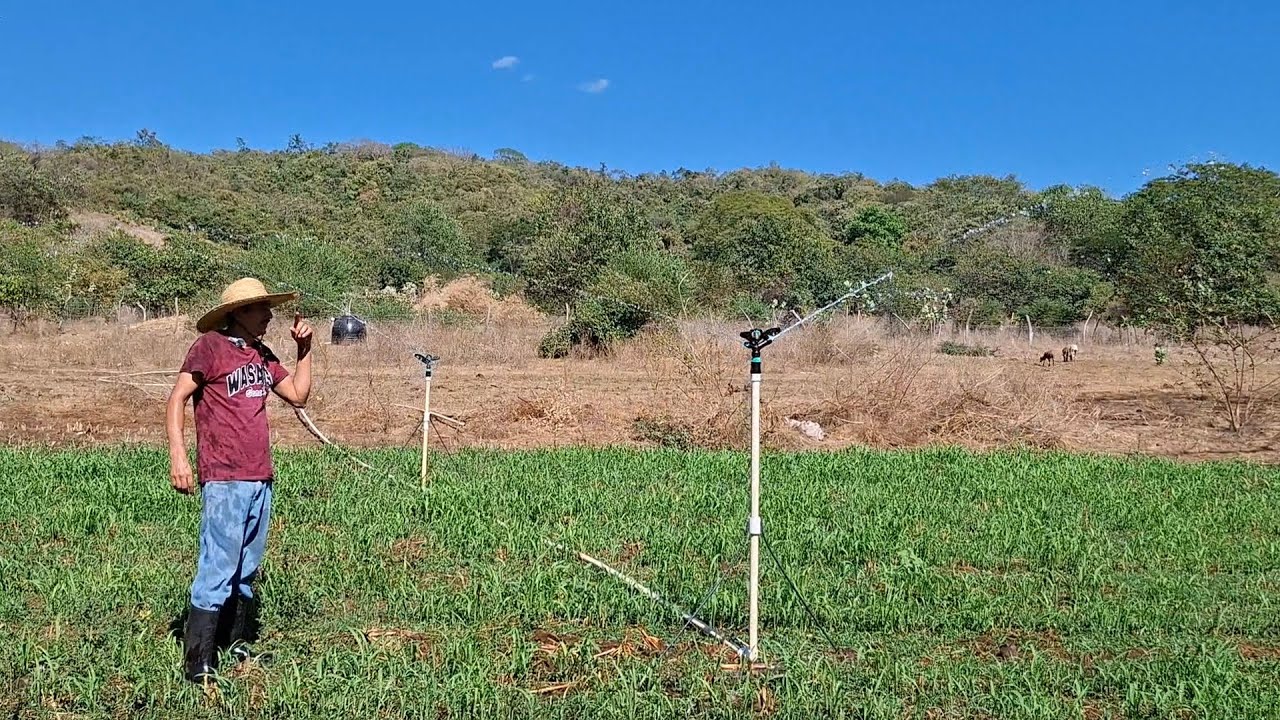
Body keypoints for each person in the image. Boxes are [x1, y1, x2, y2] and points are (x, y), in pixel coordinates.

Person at [167, 277, 313, 684]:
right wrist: (180, 456)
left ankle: (235, 645)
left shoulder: (261, 355)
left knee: (246, 568)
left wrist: (305, 351)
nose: (269, 315)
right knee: (218, 565)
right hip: (225, 475)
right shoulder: (209, 348)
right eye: (260, 309)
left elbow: (299, 395)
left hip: (259, 475)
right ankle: (199, 663)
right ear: (238, 313)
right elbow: (177, 398)